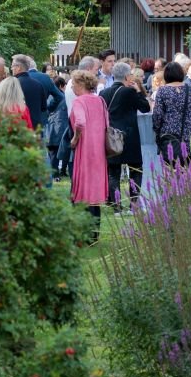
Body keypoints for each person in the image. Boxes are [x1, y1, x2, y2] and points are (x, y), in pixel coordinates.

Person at [100, 62, 151, 209]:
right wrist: (139, 91)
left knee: (113, 171)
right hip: (129, 136)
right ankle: (133, 205)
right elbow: (145, 107)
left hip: (111, 137)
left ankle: (116, 207)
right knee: (135, 169)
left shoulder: (104, 93)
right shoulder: (129, 92)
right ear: (127, 76)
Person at [68, 70, 109, 242]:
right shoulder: (100, 100)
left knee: (82, 190)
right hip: (99, 150)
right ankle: (94, 235)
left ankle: (82, 234)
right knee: (95, 192)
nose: (71, 86)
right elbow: (107, 123)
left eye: (73, 84)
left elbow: (80, 122)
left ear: (81, 84)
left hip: (85, 150)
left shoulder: (79, 102)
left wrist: (75, 139)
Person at [151, 61, 191, 162]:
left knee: (172, 172)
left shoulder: (162, 91)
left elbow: (157, 116)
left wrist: (157, 131)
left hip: (170, 137)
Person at [23, 54, 62, 132]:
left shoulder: (20, 79)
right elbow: (59, 96)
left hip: (24, 118)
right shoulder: (45, 78)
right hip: (41, 117)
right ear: (36, 67)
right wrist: (49, 108)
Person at [11, 57, 45, 128]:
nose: (11, 68)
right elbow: (43, 107)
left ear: (18, 67)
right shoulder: (38, 84)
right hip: (36, 127)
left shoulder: (13, 84)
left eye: (12, 66)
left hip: (20, 127)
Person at [46, 76, 70, 177]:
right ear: (61, 86)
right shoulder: (63, 97)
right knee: (64, 150)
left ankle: (55, 173)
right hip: (61, 127)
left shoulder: (48, 96)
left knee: (53, 152)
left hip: (50, 127)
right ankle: (61, 171)